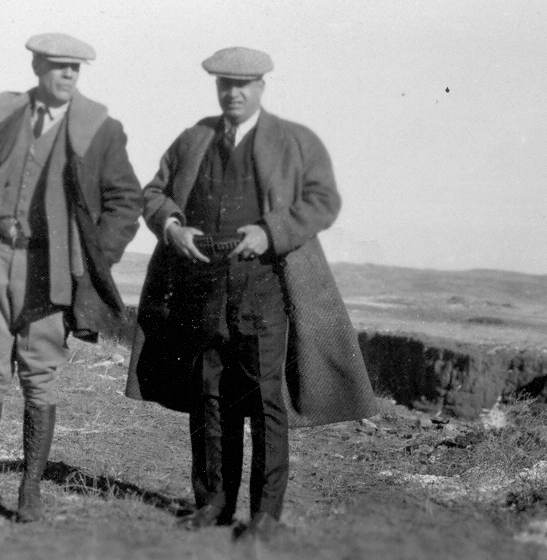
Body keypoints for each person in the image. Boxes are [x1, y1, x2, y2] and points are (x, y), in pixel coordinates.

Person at [126, 47, 376, 542]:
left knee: (264, 401)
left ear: (262, 86)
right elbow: (153, 193)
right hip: (202, 286)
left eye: (243, 85)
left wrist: (270, 232)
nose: (233, 93)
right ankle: (214, 503)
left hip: (264, 287)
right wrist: (171, 226)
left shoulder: (294, 141)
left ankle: (265, 515)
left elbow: (323, 200)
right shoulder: (194, 138)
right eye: (225, 84)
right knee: (209, 396)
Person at [0, 33, 142, 523]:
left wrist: (92, 261)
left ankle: (29, 490)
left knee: (40, 374)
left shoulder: (100, 128)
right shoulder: (4, 113)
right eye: (58, 66)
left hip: (50, 270)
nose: (68, 75)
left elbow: (125, 202)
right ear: (37, 66)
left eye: (75, 68)